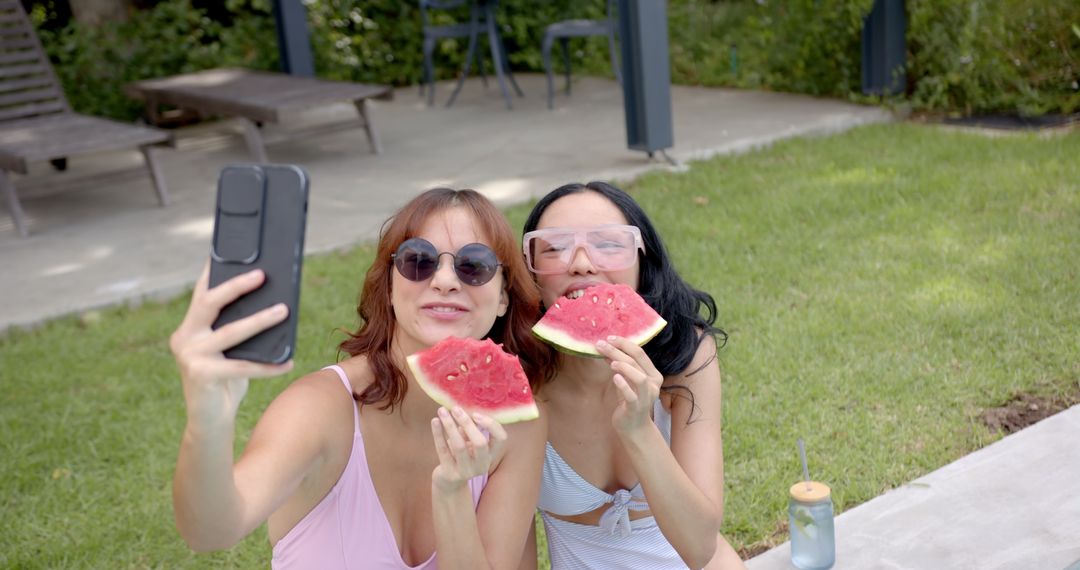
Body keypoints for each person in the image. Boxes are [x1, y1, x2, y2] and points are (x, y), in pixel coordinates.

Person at [169, 188, 552, 569]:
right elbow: (211, 533)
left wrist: (452, 493)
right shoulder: (321, 407)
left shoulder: (517, 424)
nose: (445, 280)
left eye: (475, 265)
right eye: (419, 260)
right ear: (389, 286)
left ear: (503, 295)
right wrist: (207, 425)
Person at [519, 181, 746, 569]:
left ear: (643, 263)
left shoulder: (687, 356)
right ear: (532, 278)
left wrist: (640, 429)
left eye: (609, 244)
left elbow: (700, 545)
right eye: (554, 247)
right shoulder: (518, 377)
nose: (582, 262)